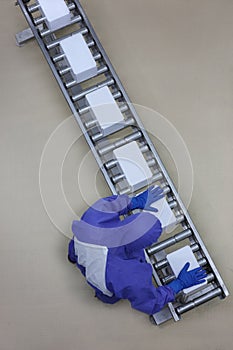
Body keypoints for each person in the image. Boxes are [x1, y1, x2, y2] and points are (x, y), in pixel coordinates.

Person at [68, 186, 207, 315]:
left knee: (76, 247)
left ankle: (72, 257)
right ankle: (102, 296)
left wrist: (134, 202)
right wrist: (177, 285)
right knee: (109, 295)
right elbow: (151, 303)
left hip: (81, 246)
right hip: (101, 278)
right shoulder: (131, 275)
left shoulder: (95, 219)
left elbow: (110, 204)